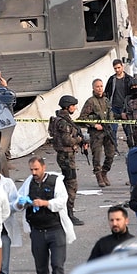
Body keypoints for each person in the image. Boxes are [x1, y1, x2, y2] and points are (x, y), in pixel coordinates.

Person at [13, 156, 76, 274]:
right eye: (31, 170)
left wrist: (46, 203)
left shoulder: (55, 181)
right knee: (41, 269)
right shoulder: (29, 183)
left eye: (36, 169)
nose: (34, 173)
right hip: (37, 232)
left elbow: (63, 200)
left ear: (43, 167)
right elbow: (16, 201)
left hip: (55, 230)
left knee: (57, 266)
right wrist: (21, 203)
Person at [51, 95, 87, 225]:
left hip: (65, 156)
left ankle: (66, 213)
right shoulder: (63, 122)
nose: (75, 108)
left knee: (68, 184)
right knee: (71, 185)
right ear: (67, 106)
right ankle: (68, 214)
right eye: (73, 105)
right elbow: (67, 140)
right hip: (66, 157)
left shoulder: (62, 119)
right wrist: (79, 140)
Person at [78, 78, 116, 187]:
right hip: (96, 133)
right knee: (97, 155)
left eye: (101, 86)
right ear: (93, 88)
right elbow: (82, 118)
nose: (99, 88)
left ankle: (104, 172)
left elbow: (110, 113)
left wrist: (111, 121)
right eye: (97, 86)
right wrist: (94, 125)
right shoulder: (90, 101)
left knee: (111, 154)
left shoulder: (106, 100)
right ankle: (98, 175)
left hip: (108, 130)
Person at [104, 59, 133, 151]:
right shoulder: (112, 79)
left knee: (128, 130)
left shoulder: (129, 79)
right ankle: (114, 149)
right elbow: (107, 93)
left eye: (118, 68)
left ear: (122, 67)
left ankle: (131, 148)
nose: (117, 70)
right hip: (114, 107)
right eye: (115, 68)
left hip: (125, 108)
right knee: (113, 129)